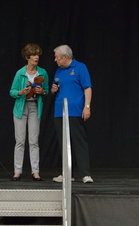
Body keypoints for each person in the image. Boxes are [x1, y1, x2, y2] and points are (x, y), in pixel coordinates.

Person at [51, 44, 93, 183]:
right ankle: (67, 173)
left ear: (65, 57)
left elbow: (87, 88)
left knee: (79, 142)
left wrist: (87, 107)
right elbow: (53, 90)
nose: (55, 60)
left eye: (57, 57)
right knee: (64, 144)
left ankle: (85, 174)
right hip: (60, 112)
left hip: (75, 111)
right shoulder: (58, 71)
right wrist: (53, 89)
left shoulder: (80, 67)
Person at [10, 43, 49, 181]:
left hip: (34, 108)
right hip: (21, 107)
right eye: (33, 55)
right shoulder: (20, 73)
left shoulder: (42, 72)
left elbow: (47, 90)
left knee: (34, 141)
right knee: (20, 141)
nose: (36, 57)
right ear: (27, 57)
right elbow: (12, 91)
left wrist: (42, 91)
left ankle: (35, 171)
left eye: (37, 54)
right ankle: (17, 171)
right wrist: (21, 92)